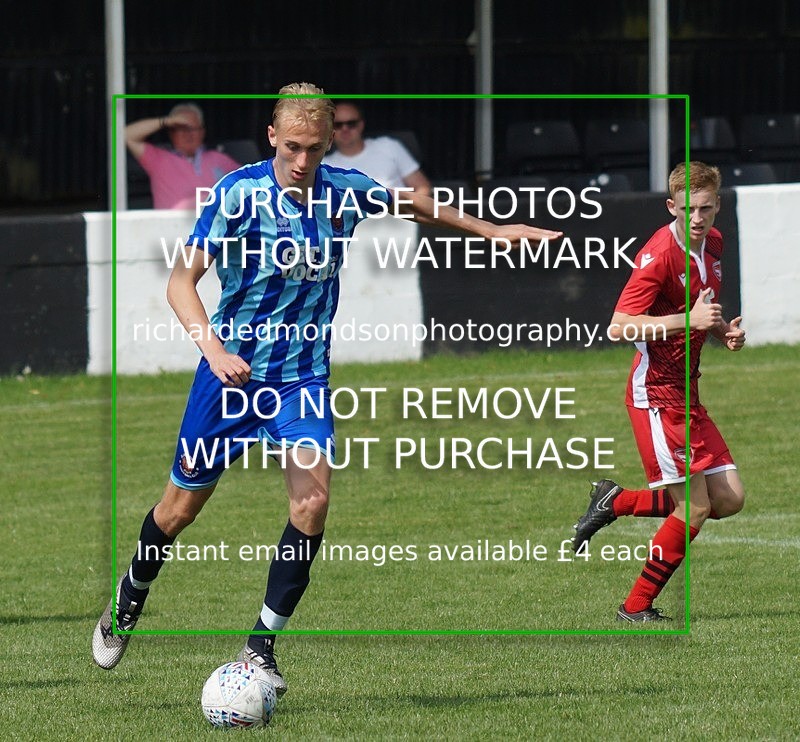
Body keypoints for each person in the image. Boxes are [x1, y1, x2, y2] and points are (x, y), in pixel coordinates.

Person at [93, 82, 562, 692]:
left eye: (314, 149)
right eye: (291, 147)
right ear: (271, 137)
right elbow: (182, 282)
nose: (302, 161)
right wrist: (212, 347)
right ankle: (132, 591)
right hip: (229, 378)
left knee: (312, 505)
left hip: (301, 381)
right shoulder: (239, 194)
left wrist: (490, 232)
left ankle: (261, 647)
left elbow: (414, 204)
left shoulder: (344, 191)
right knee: (179, 510)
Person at [571, 161, 746, 622]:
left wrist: (722, 330)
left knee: (728, 500)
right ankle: (635, 607)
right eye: (688, 209)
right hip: (656, 394)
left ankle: (617, 501)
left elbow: (700, 310)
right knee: (696, 507)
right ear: (672, 206)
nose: (697, 218)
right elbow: (618, 326)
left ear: (717, 206)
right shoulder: (658, 255)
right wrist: (686, 321)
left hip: (687, 391)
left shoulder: (714, 245)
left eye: (706, 208)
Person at [125, 102, 241, 209]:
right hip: (172, 228)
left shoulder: (219, 158)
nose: (188, 134)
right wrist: (166, 121)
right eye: (181, 128)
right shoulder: (158, 159)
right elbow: (125, 135)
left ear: (202, 132)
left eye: (193, 128)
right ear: (171, 133)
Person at [323, 101, 432, 196]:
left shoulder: (389, 146)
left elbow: (422, 187)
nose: (345, 129)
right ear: (330, 129)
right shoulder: (323, 164)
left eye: (351, 124)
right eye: (338, 125)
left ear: (361, 125)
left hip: (398, 216)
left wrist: (408, 216)